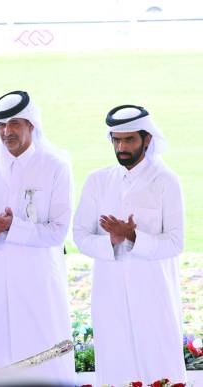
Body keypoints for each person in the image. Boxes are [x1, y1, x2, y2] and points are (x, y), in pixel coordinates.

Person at [0, 91, 74, 383]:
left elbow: (58, 230)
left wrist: (13, 227)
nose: (7, 132)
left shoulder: (55, 166)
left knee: (41, 349)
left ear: (31, 125)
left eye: (15, 124)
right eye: (1, 125)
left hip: (37, 277)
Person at [73, 105, 185, 386]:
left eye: (129, 140)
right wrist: (111, 240)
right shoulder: (97, 180)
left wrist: (134, 237)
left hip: (153, 289)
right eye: (116, 140)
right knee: (114, 357)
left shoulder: (166, 181)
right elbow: (81, 236)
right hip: (108, 288)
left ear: (147, 139)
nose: (122, 147)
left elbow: (175, 242)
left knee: (158, 358)